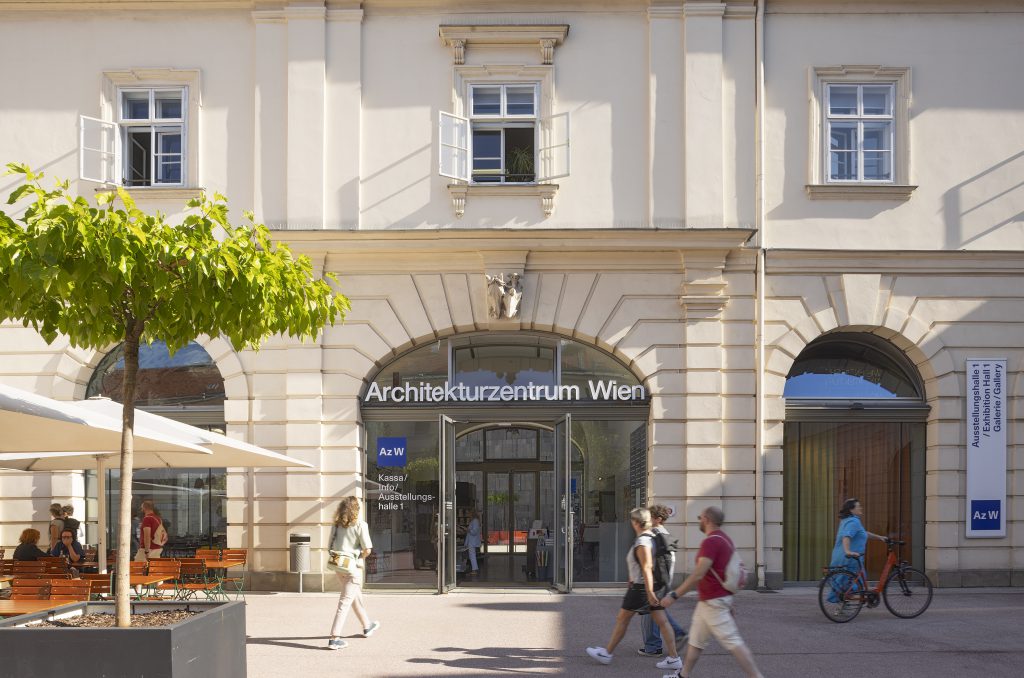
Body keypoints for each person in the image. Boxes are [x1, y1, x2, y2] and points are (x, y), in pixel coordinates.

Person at [660, 506, 764, 678]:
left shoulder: (711, 542)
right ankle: (683, 675)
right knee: (696, 641)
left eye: (700, 517)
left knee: (733, 641)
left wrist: (674, 595)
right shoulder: (725, 539)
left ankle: (756, 676)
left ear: (707, 519)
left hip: (714, 602)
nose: (699, 520)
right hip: (711, 600)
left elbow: (698, 573)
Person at [586, 508, 682, 672]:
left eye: (632, 520)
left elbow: (647, 567)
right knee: (662, 622)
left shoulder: (643, 541)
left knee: (622, 619)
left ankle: (607, 653)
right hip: (650, 587)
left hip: (641, 589)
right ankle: (674, 658)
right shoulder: (652, 537)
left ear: (636, 522)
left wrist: (650, 592)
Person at [326, 496, 381, 650]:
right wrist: (357, 557)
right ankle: (334, 638)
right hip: (352, 568)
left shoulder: (336, 525)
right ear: (356, 509)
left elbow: (329, 546)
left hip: (338, 566)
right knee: (345, 602)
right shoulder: (360, 525)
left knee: (355, 597)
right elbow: (367, 550)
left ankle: (367, 625)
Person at [639, 504, 687, 657]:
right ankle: (671, 637)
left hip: (656, 580)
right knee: (657, 610)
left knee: (653, 611)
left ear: (658, 519)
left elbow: (649, 559)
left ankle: (654, 645)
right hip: (665, 579)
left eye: (650, 517)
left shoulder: (654, 534)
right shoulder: (666, 534)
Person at [463, 506, 482, 575]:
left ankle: (474, 570)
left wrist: (467, 530)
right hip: (471, 541)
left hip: (472, 542)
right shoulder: (474, 521)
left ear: (472, 514)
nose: (467, 515)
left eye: (468, 513)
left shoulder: (475, 521)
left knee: (472, 555)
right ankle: (474, 569)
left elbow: (474, 532)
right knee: (471, 555)